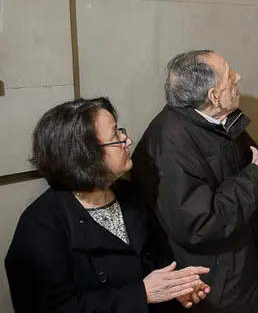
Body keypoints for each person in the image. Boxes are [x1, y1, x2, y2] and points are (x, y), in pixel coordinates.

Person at [131, 50, 258, 313]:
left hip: (244, 272)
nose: (238, 77)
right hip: (216, 291)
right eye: (229, 76)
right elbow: (202, 223)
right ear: (212, 96)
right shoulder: (169, 144)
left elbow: (245, 173)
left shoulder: (214, 122)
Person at [5, 97, 210, 313]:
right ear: (85, 156)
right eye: (116, 136)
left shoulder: (129, 194)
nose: (127, 141)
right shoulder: (40, 225)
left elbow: (158, 259)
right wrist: (142, 294)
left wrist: (178, 287)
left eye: (121, 131)